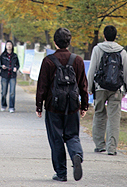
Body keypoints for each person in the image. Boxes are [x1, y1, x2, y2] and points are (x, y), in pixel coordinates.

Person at [36, 27, 88, 182]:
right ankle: (76, 154)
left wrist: (39, 106)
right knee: (72, 135)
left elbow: (42, 85)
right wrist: (84, 105)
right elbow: (82, 85)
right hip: (72, 105)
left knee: (56, 139)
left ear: (54, 42)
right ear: (69, 42)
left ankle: (61, 173)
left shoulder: (48, 61)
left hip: (53, 106)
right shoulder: (77, 60)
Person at [87, 24, 127, 156]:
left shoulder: (97, 49)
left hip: (100, 87)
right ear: (115, 36)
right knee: (114, 118)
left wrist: (89, 87)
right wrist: (124, 89)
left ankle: (100, 145)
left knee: (99, 114)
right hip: (116, 88)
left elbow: (92, 69)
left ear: (104, 36)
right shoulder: (122, 51)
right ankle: (112, 148)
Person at [0, 40, 20, 113]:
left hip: (12, 75)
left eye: (10, 44)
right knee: (4, 92)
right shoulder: (3, 55)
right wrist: (2, 67)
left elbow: (18, 65)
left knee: (12, 92)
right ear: (5, 46)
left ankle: (11, 107)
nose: (9, 46)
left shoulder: (14, 56)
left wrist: (16, 68)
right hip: (4, 75)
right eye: (7, 44)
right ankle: (3, 105)